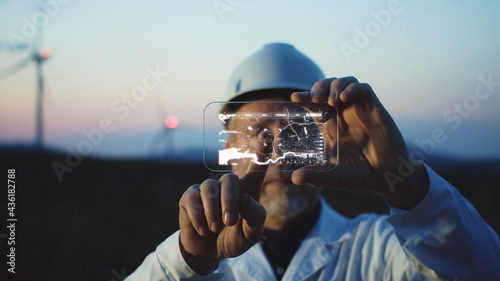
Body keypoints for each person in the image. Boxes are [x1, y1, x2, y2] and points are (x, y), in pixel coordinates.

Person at [126, 43, 500, 280]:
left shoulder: (384, 248)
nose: (274, 154)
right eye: (256, 133)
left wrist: (404, 182)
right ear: (230, 148)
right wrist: (188, 261)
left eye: (297, 131)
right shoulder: (197, 262)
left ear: (329, 140)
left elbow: (481, 271)